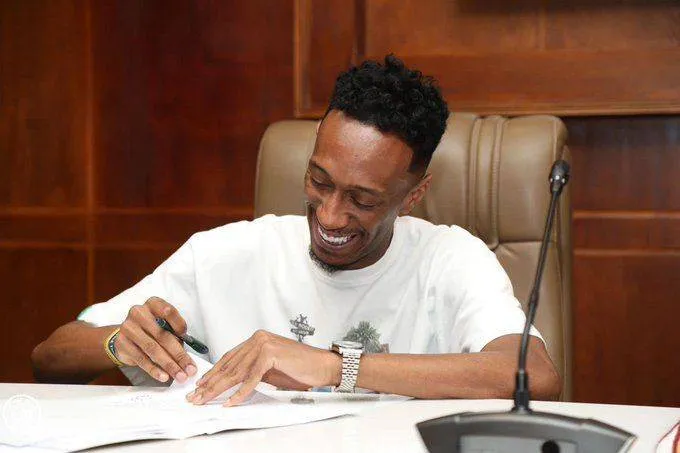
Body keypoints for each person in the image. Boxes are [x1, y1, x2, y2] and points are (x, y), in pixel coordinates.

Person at [32, 55, 560, 405]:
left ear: (413, 195)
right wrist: (116, 344)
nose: (329, 216)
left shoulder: (451, 259)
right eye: (319, 181)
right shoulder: (227, 251)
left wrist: (335, 367)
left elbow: (534, 375)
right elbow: (50, 356)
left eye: (362, 200)